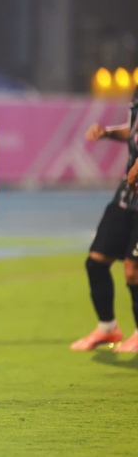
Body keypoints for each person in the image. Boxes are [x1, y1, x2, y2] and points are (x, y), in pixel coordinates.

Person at [70, 88, 138, 353]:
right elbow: (132, 131)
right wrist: (107, 132)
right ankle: (108, 328)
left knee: (133, 269)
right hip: (127, 193)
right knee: (96, 261)